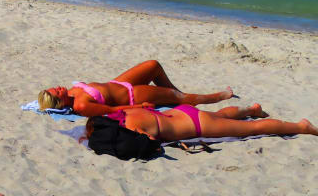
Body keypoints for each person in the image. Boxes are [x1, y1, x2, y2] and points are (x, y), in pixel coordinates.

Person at [38, 60, 234, 117]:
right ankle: (218, 97)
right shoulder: (81, 106)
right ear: (59, 101)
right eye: (56, 91)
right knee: (176, 96)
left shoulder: (71, 94)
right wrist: (139, 107)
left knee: (153, 65)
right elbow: (111, 110)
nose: (58, 87)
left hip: (119, 83)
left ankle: (178, 96)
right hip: (132, 96)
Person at [86, 102, 318, 143]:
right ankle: (250, 109)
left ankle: (301, 127)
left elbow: (150, 140)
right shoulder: (127, 113)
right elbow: (147, 105)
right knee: (220, 115)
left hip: (196, 127)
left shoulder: (129, 128)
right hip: (183, 112)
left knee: (252, 129)